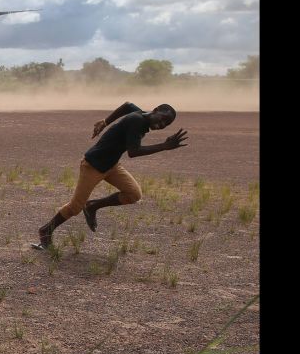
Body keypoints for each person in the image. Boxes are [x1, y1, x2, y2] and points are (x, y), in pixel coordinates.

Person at [33, 102, 187, 249]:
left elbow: (127, 105)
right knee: (75, 207)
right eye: (163, 119)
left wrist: (105, 121)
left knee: (134, 194)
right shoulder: (137, 121)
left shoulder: (140, 114)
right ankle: (46, 231)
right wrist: (164, 146)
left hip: (111, 165)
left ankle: (92, 206)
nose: (161, 125)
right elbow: (134, 152)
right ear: (156, 110)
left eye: (166, 124)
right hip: (93, 166)